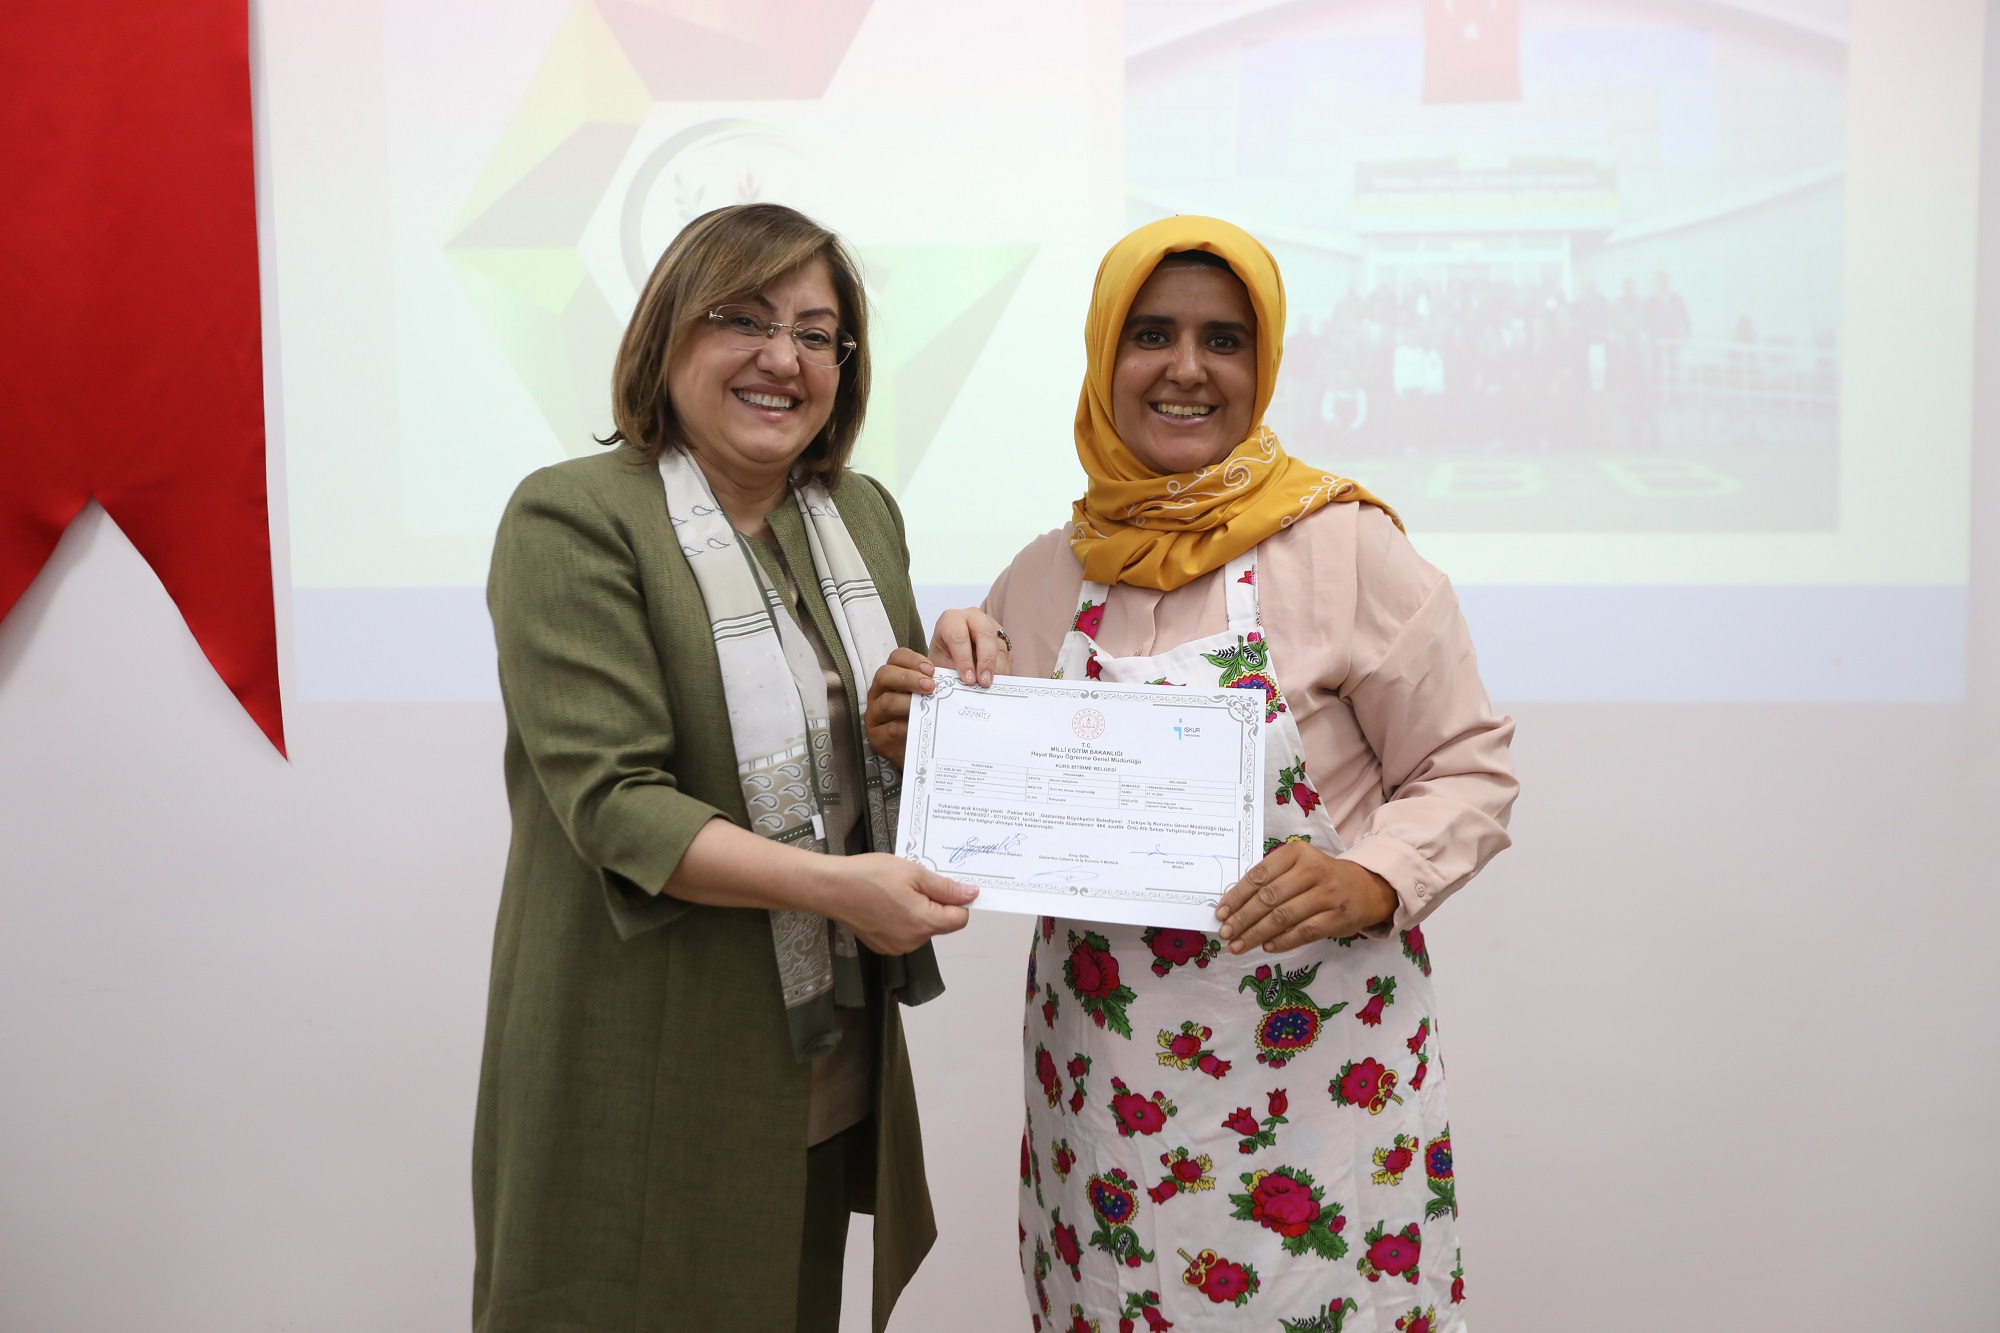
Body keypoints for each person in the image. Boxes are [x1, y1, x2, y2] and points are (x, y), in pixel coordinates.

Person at [870, 217, 1517, 1329]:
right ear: (1102, 356)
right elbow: (988, 811)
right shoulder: (1044, 574)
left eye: (1223, 340)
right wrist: (916, 731)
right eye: (1151, 334)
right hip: (1104, 1090)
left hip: (1318, 1084)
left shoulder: (1344, 547)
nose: (1186, 368)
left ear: (1262, 364)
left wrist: (1370, 876)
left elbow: (1467, 764)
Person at [473, 202, 1005, 1333]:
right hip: (644, 1045)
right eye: (745, 319)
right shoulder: (573, 517)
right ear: (667, 333)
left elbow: (868, 746)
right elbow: (617, 806)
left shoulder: (858, 515)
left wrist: (951, 691)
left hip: (820, 1048)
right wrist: (840, 889)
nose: (783, 358)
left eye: (816, 333)